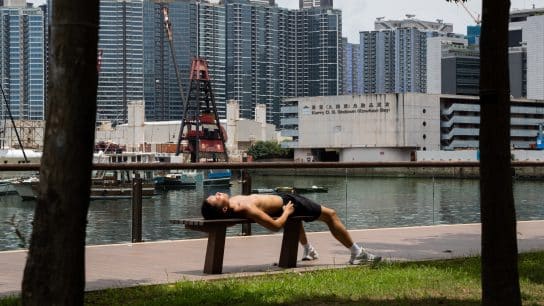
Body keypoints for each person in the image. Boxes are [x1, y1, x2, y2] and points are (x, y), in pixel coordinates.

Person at [201, 192, 381, 264]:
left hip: (284, 199)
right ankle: (357, 253)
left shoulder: (232, 206)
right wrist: (286, 211)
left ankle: (308, 250)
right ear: (224, 208)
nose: (217, 193)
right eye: (216, 198)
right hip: (290, 203)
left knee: (298, 221)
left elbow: (227, 218)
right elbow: (275, 226)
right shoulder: (244, 208)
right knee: (331, 215)